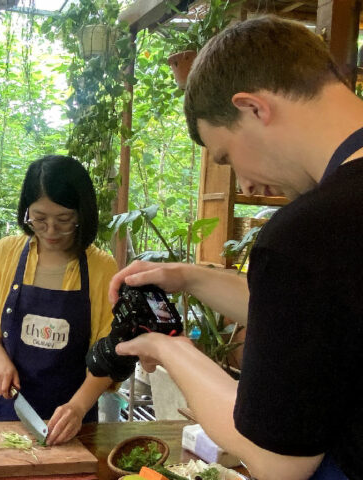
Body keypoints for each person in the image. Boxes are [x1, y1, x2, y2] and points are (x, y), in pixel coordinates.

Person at [110, 16, 363, 480]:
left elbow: (277, 462)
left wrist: (168, 349)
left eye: (225, 156)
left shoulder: (311, 232)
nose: (243, 181)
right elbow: (318, 312)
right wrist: (186, 277)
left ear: (252, 108)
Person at [0, 155, 119, 445]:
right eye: (39, 219)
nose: (50, 231)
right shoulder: (6, 252)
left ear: (82, 214)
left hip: (73, 420)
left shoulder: (102, 268)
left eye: (63, 220)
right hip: (6, 406)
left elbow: (110, 352)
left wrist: (79, 406)